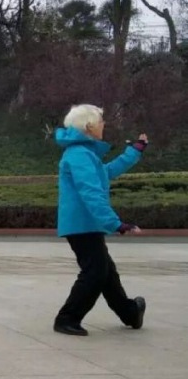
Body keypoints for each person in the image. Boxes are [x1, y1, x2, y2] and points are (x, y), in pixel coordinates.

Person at [53, 104, 148, 336]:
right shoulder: (79, 155)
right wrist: (115, 223)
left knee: (105, 272)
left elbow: (107, 172)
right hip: (81, 225)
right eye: (100, 121)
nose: (103, 125)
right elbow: (90, 192)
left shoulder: (84, 154)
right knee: (95, 272)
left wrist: (134, 151)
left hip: (86, 224)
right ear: (89, 126)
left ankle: (130, 312)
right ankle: (67, 318)